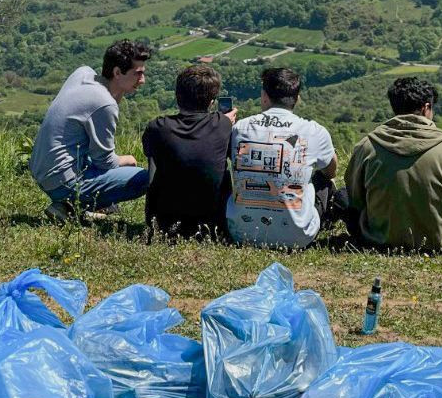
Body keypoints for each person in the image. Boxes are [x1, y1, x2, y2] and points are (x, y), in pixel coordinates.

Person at [342, 77, 442, 252]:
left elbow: (356, 198)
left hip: (378, 240)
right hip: (438, 240)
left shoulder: (366, 147)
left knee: (341, 196)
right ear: (426, 108)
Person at [29, 39, 150, 222]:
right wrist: (129, 160)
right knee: (143, 178)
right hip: (62, 181)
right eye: (138, 74)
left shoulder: (82, 73)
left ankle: (70, 205)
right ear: (117, 72)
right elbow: (105, 162)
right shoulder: (104, 103)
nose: (142, 80)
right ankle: (69, 204)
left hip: (43, 169)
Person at [227, 67, 337, 248]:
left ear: (264, 96)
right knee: (324, 180)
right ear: (297, 98)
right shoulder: (314, 131)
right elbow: (331, 172)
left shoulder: (239, 128)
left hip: (240, 233)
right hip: (299, 238)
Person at [142, 64, 236, 239]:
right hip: (213, 225)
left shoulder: (157, 127)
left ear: (177, 96)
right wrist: (224, 121)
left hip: (164, 222)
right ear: (212, 102)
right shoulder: (223, 124)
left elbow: (150, 153)